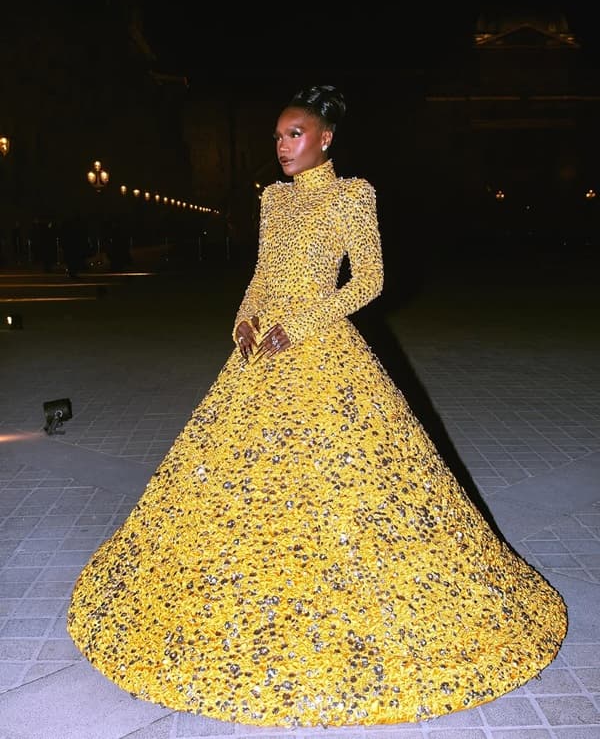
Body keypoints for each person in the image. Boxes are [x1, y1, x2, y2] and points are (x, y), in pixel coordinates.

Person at [67, 84, 568, 728]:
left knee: (345, 471)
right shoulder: (272, 199)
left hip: (320, 345)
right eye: (277, 135)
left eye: (295, 134)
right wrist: (243, 317)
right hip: (260, 350)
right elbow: (262, 270)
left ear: (325, 138)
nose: (282, 146)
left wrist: (300, 325)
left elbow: (371, 280)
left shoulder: (352, 195)